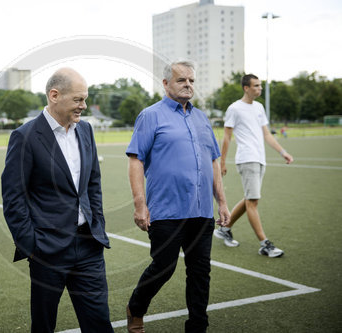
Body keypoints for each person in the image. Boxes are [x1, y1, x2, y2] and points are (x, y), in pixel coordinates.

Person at [1, 68, 114, 333]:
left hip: (88, 245)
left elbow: (93, 183)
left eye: (84, 99)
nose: (83, 106)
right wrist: (32, 245)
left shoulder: (85, 130)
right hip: (47, 250)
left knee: (99, 322)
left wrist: (97, 221)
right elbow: (13, 197)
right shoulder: (25, 136)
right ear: (54, 95)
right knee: (44, 325)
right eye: (78, 99)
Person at [125, 60, 230, 333]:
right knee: (164, 267)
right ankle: (136, 308)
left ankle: (197, 326)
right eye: (182, 80)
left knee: (200, 273)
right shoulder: (150, 115)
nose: (188, 85)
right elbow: (135, 160)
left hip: (202, 211)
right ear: (166, 83)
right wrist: (140, 205)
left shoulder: (201, 118)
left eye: (192, 81)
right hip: (167, 210)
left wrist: (222, 202)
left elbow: (214, 161)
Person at [215, 74, 294, 257]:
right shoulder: (234, 108)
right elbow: (227, 136)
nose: (259, 89)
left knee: (250, 198)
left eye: (260, 85)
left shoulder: (259, 107)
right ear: (246, 88)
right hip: (247, 158)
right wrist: (223, 162)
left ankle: (224, 229)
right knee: (253, 201)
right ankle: (264, 244)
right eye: (256, 86)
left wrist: (283, 152)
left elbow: (266, 134)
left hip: (260, 159)